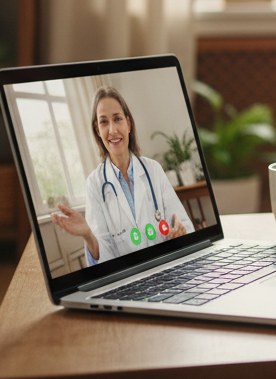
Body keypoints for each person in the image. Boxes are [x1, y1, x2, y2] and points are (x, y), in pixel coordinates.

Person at [52, 86, 194, 265]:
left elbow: (184, 225)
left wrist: (179, 235)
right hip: (129, 281)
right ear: (97, 129)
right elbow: (102, 259)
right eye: (104, 122)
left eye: (117, 119)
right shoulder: (95, 184)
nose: (112, 130)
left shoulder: (154, 170)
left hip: (167, 268)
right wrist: (88, 235)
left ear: (128, 124)